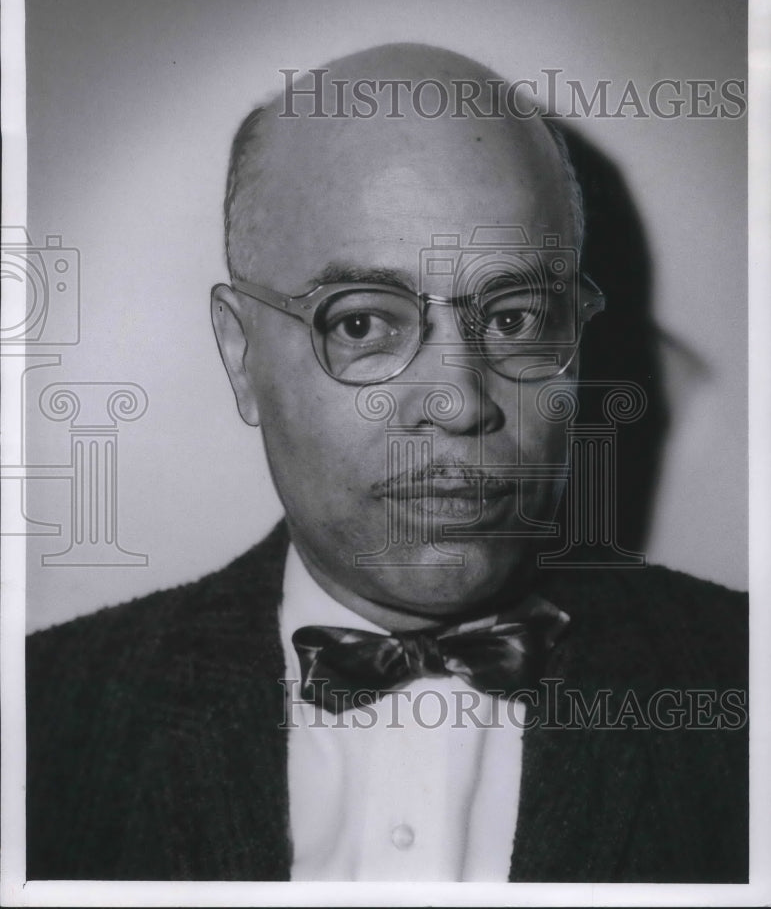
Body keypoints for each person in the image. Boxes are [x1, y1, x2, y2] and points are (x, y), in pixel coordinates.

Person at [26, 44, 747, 883]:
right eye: (362, 323)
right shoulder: (43, 717)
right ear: (240, 355)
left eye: (514, 319)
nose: (457, 401)